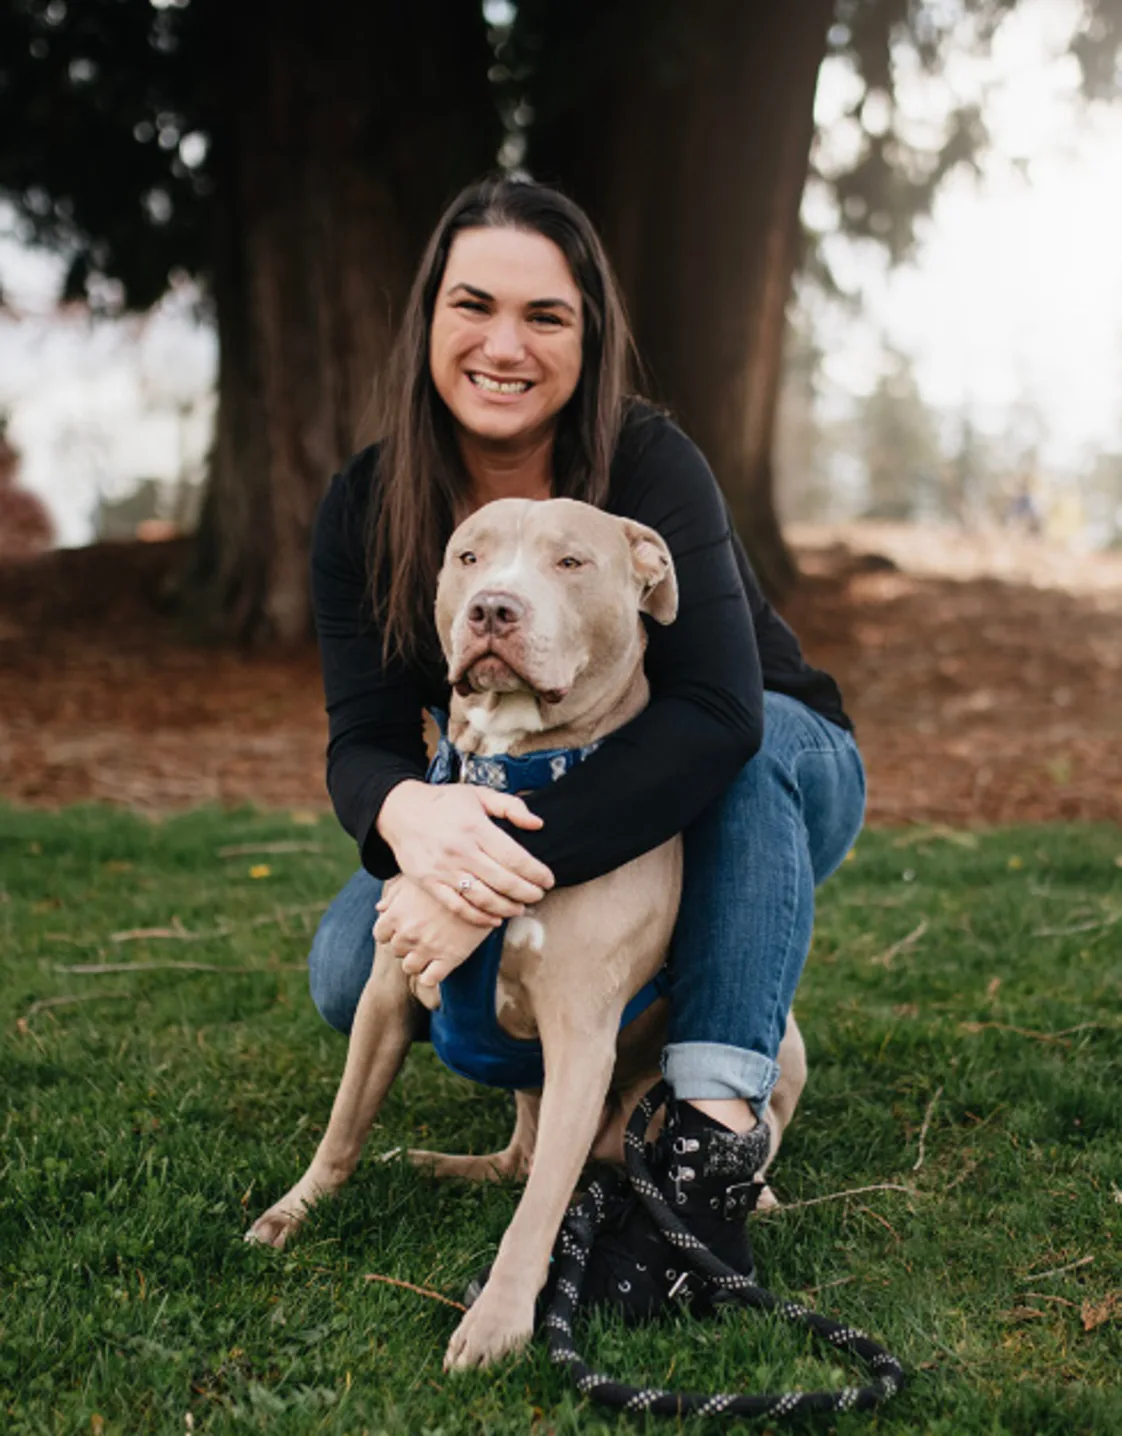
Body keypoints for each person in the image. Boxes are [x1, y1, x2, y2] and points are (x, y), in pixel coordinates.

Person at [308, 176, 865, 1313]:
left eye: (545, 316)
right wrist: (415, 821)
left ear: (590, 336)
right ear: (428, 321)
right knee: (341, 968)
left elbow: (719, 715)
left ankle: (706, 1140)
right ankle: (586, 1109)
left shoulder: (651, 464)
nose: (502, 343)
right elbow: (365, 738)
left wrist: (490, 881)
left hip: (771, 758)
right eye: (474, 306)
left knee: (743, 760)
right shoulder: (371, 500)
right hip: (533, 781)